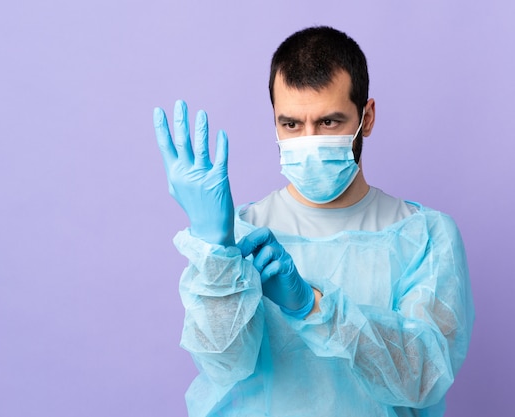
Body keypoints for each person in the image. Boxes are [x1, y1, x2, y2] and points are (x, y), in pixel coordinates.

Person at [153, 26, 474, 417]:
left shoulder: (424, 236)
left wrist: (312, 306)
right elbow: (222, 365)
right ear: (274, 122)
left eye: (329, 123)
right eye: (291, 125)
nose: (308, 140)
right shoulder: (241, 235)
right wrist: (214, 247)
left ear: (366, 118)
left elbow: (423, 378)